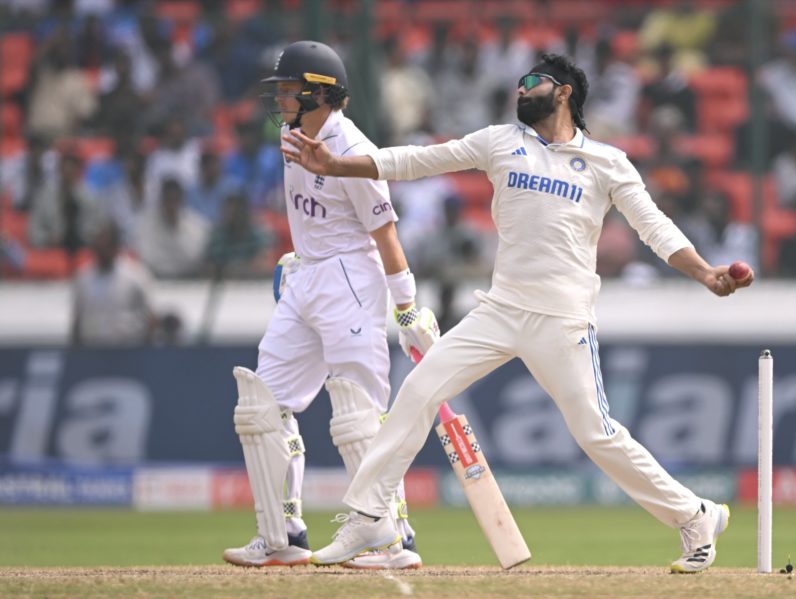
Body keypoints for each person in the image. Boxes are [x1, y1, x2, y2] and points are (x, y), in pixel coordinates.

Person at [281, 53, 754, 573]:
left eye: (533, 82)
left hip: (562, 320)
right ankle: (370, 516)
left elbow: (654, 227)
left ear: (565, 92)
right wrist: (336, 165)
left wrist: (706, 272)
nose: (521, 90)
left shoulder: (607, 162)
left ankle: (695, 515)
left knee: (596, 433)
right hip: (500, 309)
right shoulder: (499, 141)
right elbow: (415, 160)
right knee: (418, 390)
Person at [222, 41, 438, 570]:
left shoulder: (354, 150)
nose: (283, 100)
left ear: (320, 92)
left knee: (358, 413)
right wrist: (302, 258)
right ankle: (282, 533)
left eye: (291, 90)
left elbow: (385, 235)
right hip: (309, 279)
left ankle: (392, 539)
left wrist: (406, 306)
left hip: (351, 282)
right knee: (261, 405)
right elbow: (312, 213)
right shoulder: (289, 137)